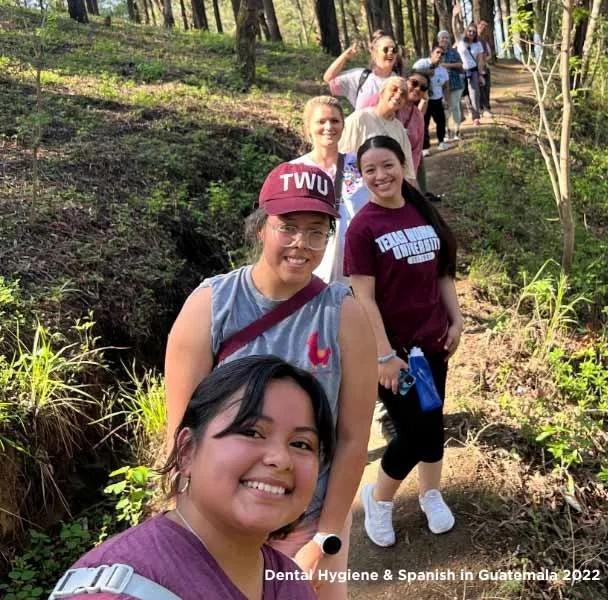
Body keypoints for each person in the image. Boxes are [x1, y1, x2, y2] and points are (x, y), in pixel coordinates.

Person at [165, 162, 377, 600]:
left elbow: (353, 438)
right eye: (288, 227)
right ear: (261, 227)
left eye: (317, 231)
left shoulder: (343, 314)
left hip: (308, 526)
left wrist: (326, 539)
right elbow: (182, 437)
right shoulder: (211, 306)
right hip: (220, 526)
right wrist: (190, 533)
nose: (302, 244)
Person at [52, 356, 333, 600]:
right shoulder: (117, 592)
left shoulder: (289, 582)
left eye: (301, 444)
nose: (281, 459)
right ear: (187, 451)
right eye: (252, 432)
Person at [343, 136, 463, 548]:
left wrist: (457, 321)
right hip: (393, 356)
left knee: (432, 423)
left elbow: (442, 273)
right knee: (413, 433)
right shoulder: (363, 227)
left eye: (387, 165)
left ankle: (431, 493)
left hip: (433, 344)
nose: (380, 176)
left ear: (404, 164)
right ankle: (378, 499)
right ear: (361, 177)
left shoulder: (421, 210)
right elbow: (363, 297)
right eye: (369, 170)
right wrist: (383, 355)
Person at [291, 96, 369, 285]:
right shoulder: (295, 171)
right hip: (312, 270)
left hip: (359, 269)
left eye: (335, 121)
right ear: (308, 126)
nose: (329, 127)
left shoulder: (361, 165)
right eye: (321, 121)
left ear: (343, 125)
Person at [360, 71, 429, 192]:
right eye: (414, 83)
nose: (417, 88)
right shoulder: (379, 100)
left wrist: (409, 181)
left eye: (423, 87)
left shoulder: (418, 117)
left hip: (398, 177)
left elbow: (416, 152)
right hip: (369, 176)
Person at [339, 76, 417, 183]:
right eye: (394, 89)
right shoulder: (360, 118)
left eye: (403, 94)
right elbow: (342, 158)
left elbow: (408, 170)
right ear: (382, 92)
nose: (398, 95)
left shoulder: (399, 129)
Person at [323, 31, 401, 110]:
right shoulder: (360, 76)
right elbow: (328, 78)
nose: (390, 53)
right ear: (375, 53)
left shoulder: (399, 82)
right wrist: (345, 57)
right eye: (386, 49)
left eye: (394, 50)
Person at [452, 2, 485, 126]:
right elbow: (454, 28)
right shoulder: (460, 40)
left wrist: (481, 74)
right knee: (463, 94)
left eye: (474, 31)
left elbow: (480, 60)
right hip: (461, 71)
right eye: (470, 31)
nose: (472, 33)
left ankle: (475, 117)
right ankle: (463, 116)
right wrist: (454, 16)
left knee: (474, 93)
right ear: (466, 31)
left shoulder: (478, 45)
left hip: (473, 71)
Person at [413, 46, 451, 155]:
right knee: (424, 123)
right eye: (437, 52)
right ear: (432, 53)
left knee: (441, 121)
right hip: (424, 99)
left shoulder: (443, 71)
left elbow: (446, 86)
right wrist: (426, 73)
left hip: (437, 99)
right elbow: (413, 73)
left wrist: (447, 100)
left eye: (442, 54)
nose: (439, 55)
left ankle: (441, 141)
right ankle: (425, 147)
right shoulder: (422, 63)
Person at [438, 30, 465, 141]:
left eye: (446, 37)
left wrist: (446, 65)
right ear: (438, 40)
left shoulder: (454, 52)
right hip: (441, 86)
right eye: (442, 38)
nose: (444, 39)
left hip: (455, 84)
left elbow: (460, 64)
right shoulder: (435, 52)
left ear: (449, 40)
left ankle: (457, 130)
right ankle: (446, 131)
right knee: (445, 109)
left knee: (454, 106)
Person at [476, 19, 494, 115]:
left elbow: (489, 55)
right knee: (479, 88)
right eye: (481, 27)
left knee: (486, 88)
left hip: (485, 68)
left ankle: (486, 107)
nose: (482, 29)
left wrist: (484, 60)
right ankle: (481, 108)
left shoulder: (485, 42)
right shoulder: (472, 41)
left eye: (485, 28)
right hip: (476, 68)